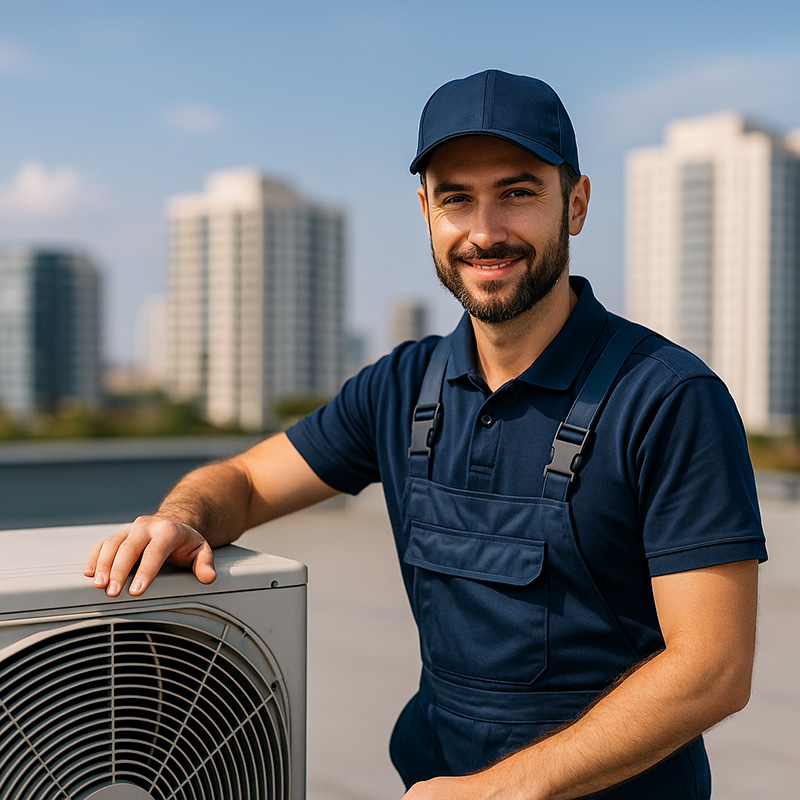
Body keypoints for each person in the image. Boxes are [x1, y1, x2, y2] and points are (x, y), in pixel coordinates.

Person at [86, 70, 767, 799]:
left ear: (575, 203)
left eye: (517, 192)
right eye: (456, 199)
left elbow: (713, 668)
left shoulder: (667, 398)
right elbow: (248, 481)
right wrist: (183, 520)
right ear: (425, 212)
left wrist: (502, 790)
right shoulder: (402, 386)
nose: (484, 231)